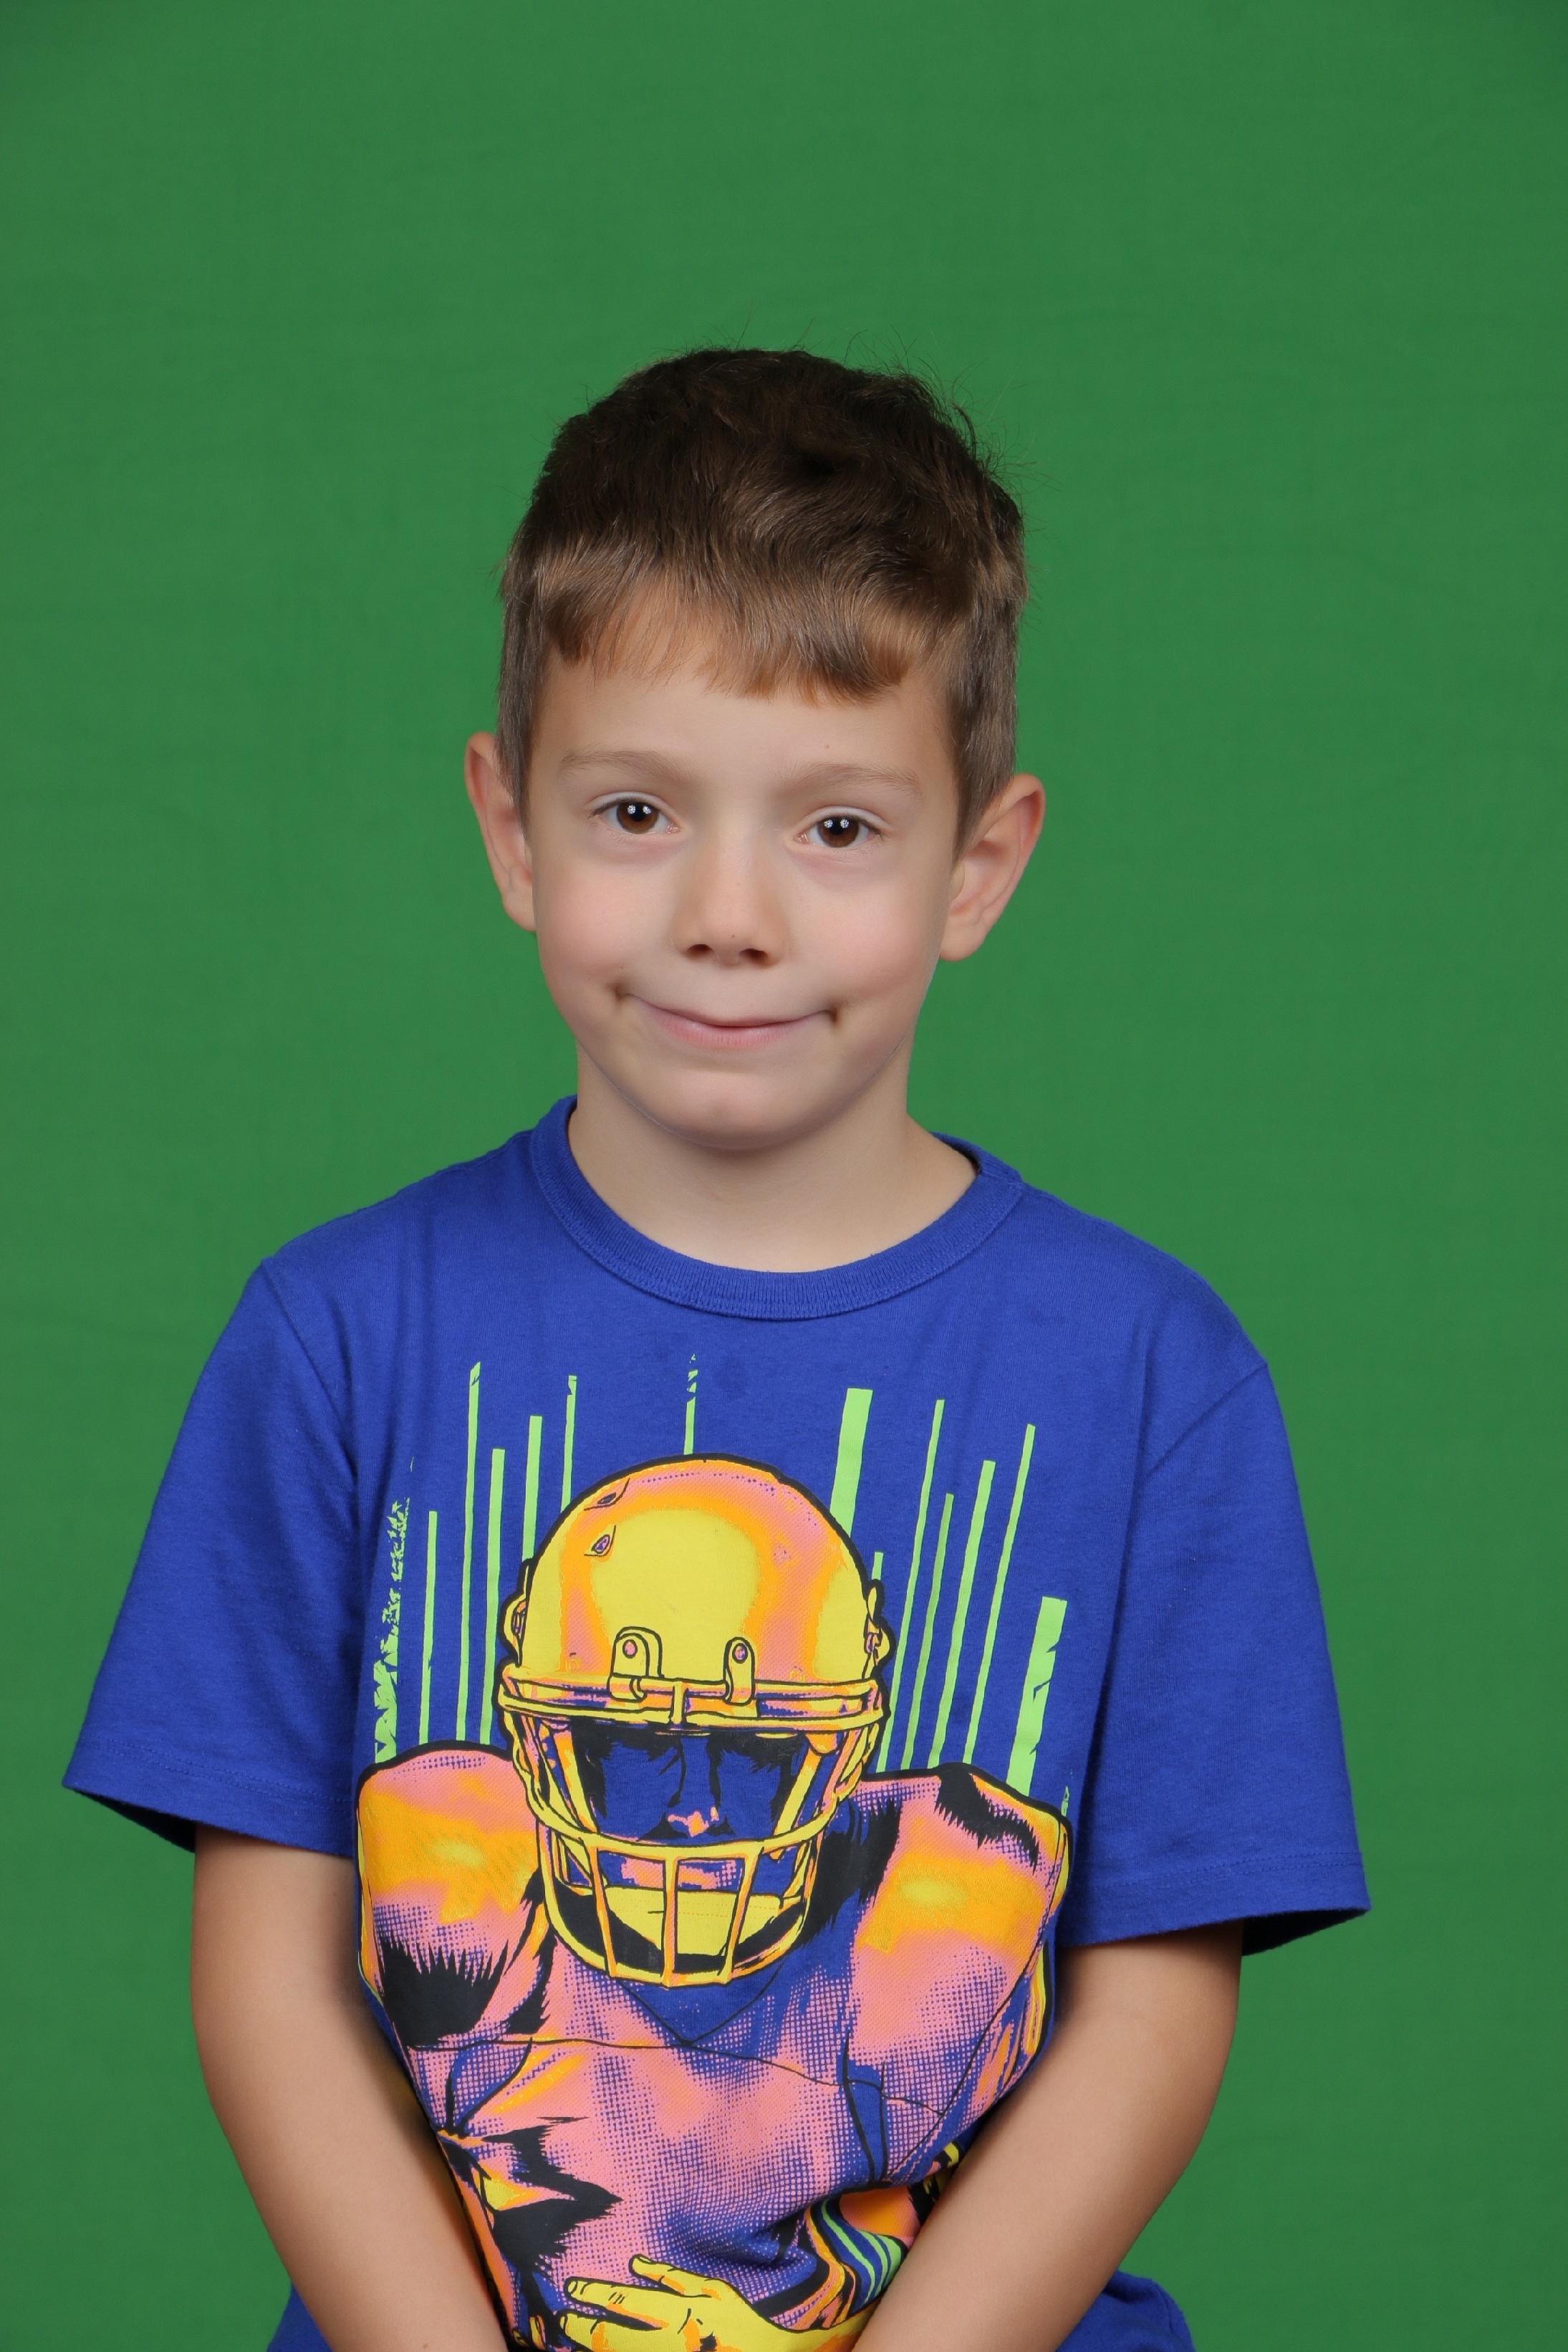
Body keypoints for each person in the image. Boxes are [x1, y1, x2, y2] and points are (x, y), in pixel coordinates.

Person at [66, 347, 1367, 2352]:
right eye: (637, 810)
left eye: (836, 824)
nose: (729, 913)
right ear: (510, 827)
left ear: (980, 863)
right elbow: (267, 1973)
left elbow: (1155, 2003)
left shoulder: (1149, 1377)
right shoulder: (337, 1333)